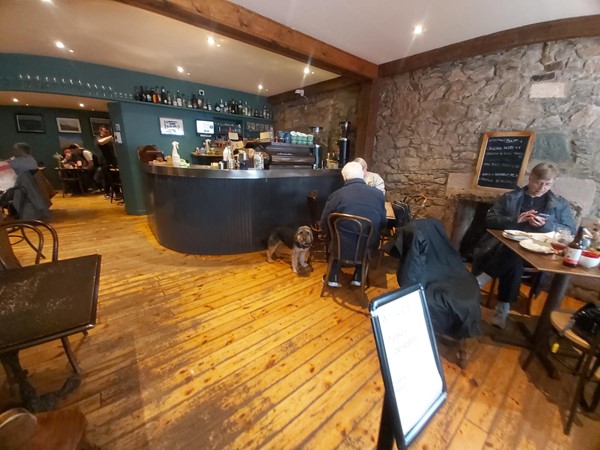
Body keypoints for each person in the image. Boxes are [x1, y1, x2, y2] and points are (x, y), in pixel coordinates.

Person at [473, 162, 576, 328]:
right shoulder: (510, 198)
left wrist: (546, 225)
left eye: (547, 184)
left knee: (513, 257)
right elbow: (489, 220)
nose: (542, 187)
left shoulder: (559, 204)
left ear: (553, 183)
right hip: (505, 248)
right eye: (538, 182)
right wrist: (515, 220)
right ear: (531, 178)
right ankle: (503, 309)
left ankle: (481, 280)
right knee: (514, 260)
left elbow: (570, 230)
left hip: (540, 252)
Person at [320, 161, 386, 287]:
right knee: (368, 237)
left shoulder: (336, 195)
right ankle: (359, 276)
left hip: (342, 247)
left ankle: (332, 276)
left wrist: (329, 236)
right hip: (367, 248)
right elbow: (383, 223)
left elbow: (324, 222)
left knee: (334, 236)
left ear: (344, 177)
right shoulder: (378, 195)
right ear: (362, 174)